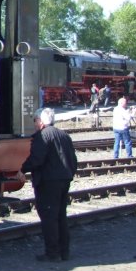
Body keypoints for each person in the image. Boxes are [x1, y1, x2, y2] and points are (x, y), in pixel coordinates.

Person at [21, 107, 77, 262]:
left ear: (40, 121)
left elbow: (37, 159)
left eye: (35, 120)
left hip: (48, 181)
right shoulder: (64, 135)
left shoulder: (42, 136)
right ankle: (64, 251)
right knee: (61, 216)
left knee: (49, 217)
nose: (34, 124)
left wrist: (22, 169)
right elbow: (73, 159)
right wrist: (69, 175)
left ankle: (52, 253)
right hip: (64, 179)